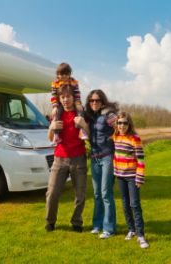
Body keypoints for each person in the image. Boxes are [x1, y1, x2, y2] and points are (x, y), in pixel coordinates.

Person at [45, 84, 89, 233]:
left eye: (68, 97)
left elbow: (90, 136)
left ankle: (76, 221)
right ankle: (50, 221)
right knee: (52, 192)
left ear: (73, 97)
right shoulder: (57, 113)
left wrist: (84, 125)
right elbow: (50, 138)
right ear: (59, 98)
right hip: (59, 159)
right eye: (62, 97)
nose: (65, 100)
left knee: (80, 194)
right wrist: (51, 127)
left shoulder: (81, 113)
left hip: (78, 159)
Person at [112, 112, 149, 249]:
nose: (122, 125)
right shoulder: (115, 137)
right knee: (125, 204)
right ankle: (131, 229)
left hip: (132, 177)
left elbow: (140, 160)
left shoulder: (135, 138)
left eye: (125, 123)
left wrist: (139, 177)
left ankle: (140, 235)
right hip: (120, 176)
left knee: (135, 204)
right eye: (119, 123)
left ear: (129, 124)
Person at [85, 89, 118, 239]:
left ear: (102, 101)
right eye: (91, 100)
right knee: (97, 194)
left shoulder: (109, 115)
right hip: (94, 158)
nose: (94, 103)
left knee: (106, 193)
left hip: (107, 157)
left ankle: (109, 228)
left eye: (97, 100)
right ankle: (97, 225)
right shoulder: (90, 116)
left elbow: (122, 126)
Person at [50, 62, 87, 144]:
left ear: (70, 74)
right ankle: (56, 135)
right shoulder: (55, 83)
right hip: (59, 104)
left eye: (66, 74)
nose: (64, 77)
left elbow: (77, 93)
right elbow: (53, 96)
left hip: (73, 101)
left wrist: (78, 103)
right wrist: (55, 106)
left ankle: (82, 130)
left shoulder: (73, 82)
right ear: (58, 74)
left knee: (81, 111)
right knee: (57, 115)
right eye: (61, 74)